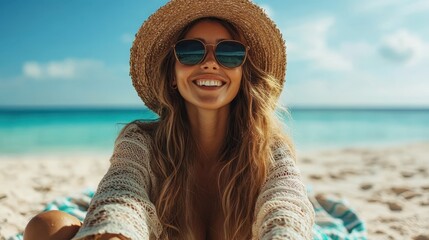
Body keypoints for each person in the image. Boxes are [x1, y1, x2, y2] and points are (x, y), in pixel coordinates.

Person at [24, 0, 315, 239]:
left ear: (243, 75)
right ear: (173, 76)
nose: (210, 62)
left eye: (229, 52)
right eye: (191, 51)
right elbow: (122, 191)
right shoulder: (141, 141)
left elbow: (286, 205)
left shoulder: (269, 148)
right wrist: (115, 234)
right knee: (45, 227)